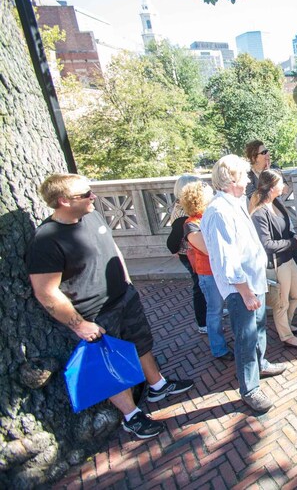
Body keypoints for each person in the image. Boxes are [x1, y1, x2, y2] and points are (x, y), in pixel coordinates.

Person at [27, 173, 195, 439]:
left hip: (124, 297)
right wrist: (79, 324)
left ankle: (157, 384)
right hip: (94, 313)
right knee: (110, 364)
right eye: (85, 194)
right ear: (63, 201)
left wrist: (127, 280)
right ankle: (131, 415)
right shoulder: (46, 240)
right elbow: (45, 292)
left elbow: (113, 248)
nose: (93, 196)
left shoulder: (91, 215)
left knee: (141, 342)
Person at [201, 155, 286, 413]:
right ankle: (250, 389)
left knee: (259, 327)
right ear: (231, 179)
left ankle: (261, 364)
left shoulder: (235, 203)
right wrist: (246, 292)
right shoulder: (218, 211)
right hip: (242, 288)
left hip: (254, 281)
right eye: (245, 174)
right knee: (245, 337)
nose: (250, 178)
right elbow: (227, 258)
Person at [245, 140, 297, 296]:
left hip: (279, 214)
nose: (268, 154)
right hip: (263, 219)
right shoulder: (249, 177)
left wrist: (271, 174)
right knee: (278, 248)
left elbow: (285, 189)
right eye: (263, 152)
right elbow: (252, 198)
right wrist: (266, 183)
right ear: (254, 156)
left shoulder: (274, 170)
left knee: (296, 245)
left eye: (267, 151)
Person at [249, 170, 297, 348]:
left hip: (288, 258)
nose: (284, 185)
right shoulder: (259, 213)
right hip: (276, 263)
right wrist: (292, 242)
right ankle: (286, 336)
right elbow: (266, 244)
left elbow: (285, 228)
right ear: (273, 187)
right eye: (281, 182)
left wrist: (294, 238)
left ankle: (286, 324)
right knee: (281, 302)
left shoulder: (277, 203)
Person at [180, 181, 232, 361]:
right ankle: (219, 348)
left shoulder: (211, 214)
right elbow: (208, 249)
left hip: (223, 270)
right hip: (209, 274)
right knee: (215, 311)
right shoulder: (191, 224)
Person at [167, 174, 208, 333]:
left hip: (192, 252)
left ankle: (209, 311)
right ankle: (202, 322)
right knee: (200, 285)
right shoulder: (183, 213)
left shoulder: (183, 206)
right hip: (190, 255)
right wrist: (176, 250)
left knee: (203, 285)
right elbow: (172, 241)